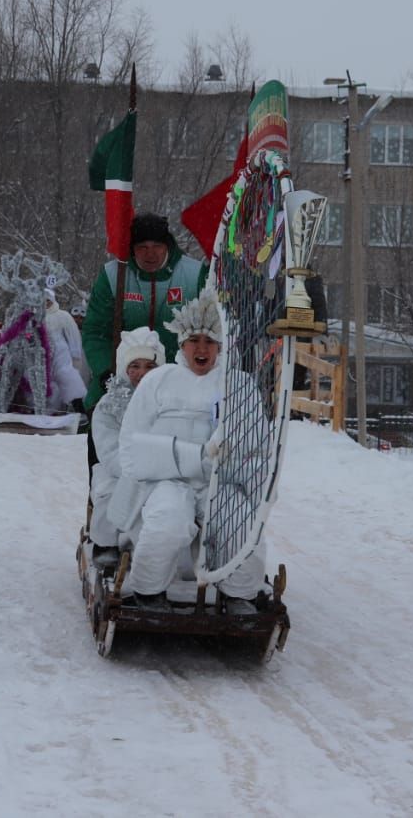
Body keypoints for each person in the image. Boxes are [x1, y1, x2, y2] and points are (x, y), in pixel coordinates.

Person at [110, 287, 265, 614]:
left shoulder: (238, 385)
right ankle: (149, 592)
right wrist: (187, 458)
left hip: (220, 483)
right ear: (181, 344)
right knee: (167, 522)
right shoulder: (159, 381)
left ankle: (240, 594)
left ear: (221, 346)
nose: (202, 349)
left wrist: (232, 459)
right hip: (169, 481)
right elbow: (132, 443)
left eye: (209, 342)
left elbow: (256, 444)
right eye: (194, 340)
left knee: (242, 528)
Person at [81, 212, 209, 411]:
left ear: (168, 246)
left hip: (177, 380)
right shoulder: (114, 276)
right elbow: (95, 331)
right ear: (132, 249)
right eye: (143, 247)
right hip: (120, 380)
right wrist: (106, 370)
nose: (151, 254)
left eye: (157, 246)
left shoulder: (195, 275)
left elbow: (210, 327)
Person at [87, 326, 164, 568]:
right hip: (118, 469)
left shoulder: (167, 401)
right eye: (135, 366)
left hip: (159, 469)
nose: (142, 373)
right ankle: (105, 543)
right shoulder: (108, 405)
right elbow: (108, 447)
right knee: (110, 492)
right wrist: (132, 470)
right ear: (124, 368)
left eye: (149, 367)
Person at [43, 289, 88, 410]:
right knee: (44, 383)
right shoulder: (35, 316)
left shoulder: (63, 315)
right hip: (41, 356)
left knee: (68, 379)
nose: (46, 303)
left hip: (60, 353)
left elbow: (73, 335)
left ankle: (79, 409)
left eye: (48, 300)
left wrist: (76, 356)